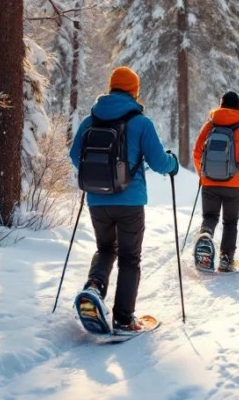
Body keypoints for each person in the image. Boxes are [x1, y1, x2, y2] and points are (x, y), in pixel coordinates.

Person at [69, 66, 178, 332]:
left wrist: (98, 175)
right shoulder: (141, 122)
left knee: (106, 249)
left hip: (97, 200)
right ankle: (124, 319)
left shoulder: (90, 120)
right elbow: (158, 162)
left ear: (111, 87)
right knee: (129, 258)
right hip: (130, 201)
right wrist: (173, 163)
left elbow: (74, 155)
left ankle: (93, 288)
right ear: (134, 91)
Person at [193, 91, 239, 271]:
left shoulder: (209, 127)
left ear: (220, 105)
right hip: (233, 185)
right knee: (230, 222)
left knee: (209, 217)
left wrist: (203, 175)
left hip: (209, 182)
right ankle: (226, 260)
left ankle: (205, 236)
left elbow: (196, 153)